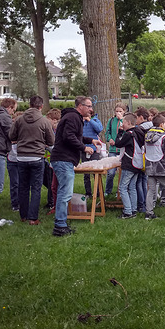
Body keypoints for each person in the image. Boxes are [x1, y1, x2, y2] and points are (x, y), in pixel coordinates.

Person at [50, 96, 103, 237]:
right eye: (89, 106)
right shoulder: (73, 117)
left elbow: (75, 136)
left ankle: (61, 223)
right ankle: (60, 226)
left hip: (64, 159)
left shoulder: (74, 117)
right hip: (63, 159)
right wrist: (84, 147)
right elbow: (69, 137)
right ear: (80, 106)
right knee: (65, 193)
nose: (91, 110)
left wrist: (91, 140)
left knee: (64, 192)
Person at [9, 96, 54, 225]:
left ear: (29, 105)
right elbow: (51, 141)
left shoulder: (19, 120)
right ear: (41, 106)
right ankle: (33, 218)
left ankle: (23, 215)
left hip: (21, 157)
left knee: (23, 187)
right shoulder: (44, 121)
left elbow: (11, 136)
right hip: (37, 157)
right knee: (36, 188)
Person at [144, 114, 165, 218]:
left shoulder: (147, 135)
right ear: (161, 124)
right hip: (161, 166)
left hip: (149, 165)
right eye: (164, 124)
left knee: (151, 190)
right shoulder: (164, 136)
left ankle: (149, 212)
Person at [114, 113, 146, 219]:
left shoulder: (128, 134)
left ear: (128, 122)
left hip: (129, 163)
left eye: (123, 122)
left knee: (122, 187)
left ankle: (127, 211)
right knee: (132, 187)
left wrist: (119, 133)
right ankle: (133, 209)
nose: (122, 124)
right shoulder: (138, 131)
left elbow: (118, 144)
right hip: (138, 163)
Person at [104, 102, 126, 196]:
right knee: (111, 172)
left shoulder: (125, 121)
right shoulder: (111, 120)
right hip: (113, 149)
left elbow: (127, 132)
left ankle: (120, 191)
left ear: (124, 112)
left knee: (123, 173)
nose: (118, 113)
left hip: (122, 150)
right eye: (117, 111)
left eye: (120, 111)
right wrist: (110, 139)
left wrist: (122, 120)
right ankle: (107, 191)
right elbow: (107, 132)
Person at [81, 106, 103, 198]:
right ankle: (88, 192)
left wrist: (90, 120)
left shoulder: (95, 120)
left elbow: (99, 129)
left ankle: (98, 192)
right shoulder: (80, 122)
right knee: (86, 173)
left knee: (95, 172)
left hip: (93, 149)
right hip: (83, 148)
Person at [6, 112, 22, 213]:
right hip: (12, 159)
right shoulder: (10, 130)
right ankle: (15, 203)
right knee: (14, 182)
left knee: (23, 182)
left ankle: (22, 201)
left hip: (22, 159)